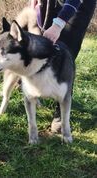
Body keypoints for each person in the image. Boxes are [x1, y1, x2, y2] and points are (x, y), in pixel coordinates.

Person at [29, 0, 96, 133]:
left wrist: (58, 25)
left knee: (65, 54)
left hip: (79, 5)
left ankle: (61, 113)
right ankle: (41, 93)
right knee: (47, 47)